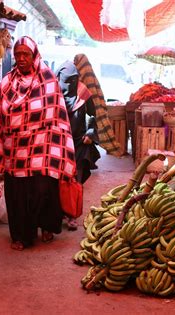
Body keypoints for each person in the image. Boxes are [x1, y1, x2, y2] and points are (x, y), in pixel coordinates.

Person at [0, 36, 76, 251]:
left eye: (26, 55)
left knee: (43, 190)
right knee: (18, 195)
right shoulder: (7, 82)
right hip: (16, 151)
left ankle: (47, 226)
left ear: (34, 56)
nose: (21, 58)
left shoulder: (48, 80)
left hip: (42, 148)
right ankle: (21, 236)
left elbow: (57, 115)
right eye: (18, 54)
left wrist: (58, 145)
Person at [56, 60, 100, 231]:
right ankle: (58, 212)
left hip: (78, 142)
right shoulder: (51, 93)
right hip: (57, 143)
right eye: (65, 80)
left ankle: (72, 215)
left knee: (76, 180)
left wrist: (90, 133)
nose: (69, 84)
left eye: (72, 80)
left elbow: (92, 116)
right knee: (57, 180)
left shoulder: (83, 93)